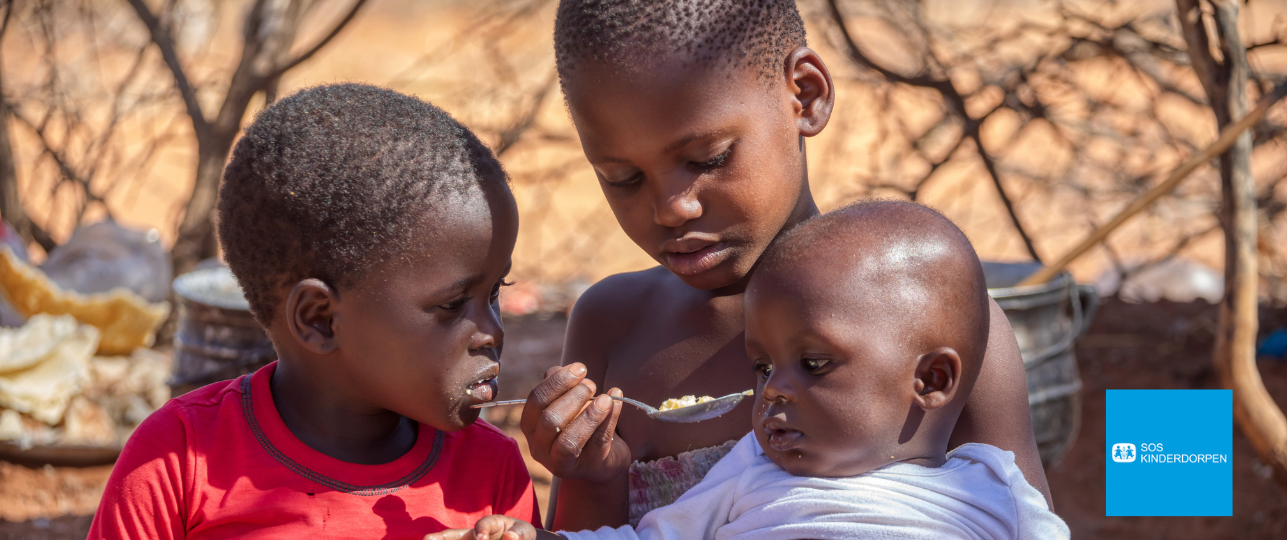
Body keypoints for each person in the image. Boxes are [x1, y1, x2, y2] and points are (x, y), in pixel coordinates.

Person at [519, 0, 1052, 531]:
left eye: (708, 159)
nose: (671, 208)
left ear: (805, 95)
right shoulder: (613, 325)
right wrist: (594, 477)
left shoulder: (928, 315)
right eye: (622, 178)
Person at [432, 202, 1069, 540]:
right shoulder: (750, 472)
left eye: (813, 364)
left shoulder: (991, 485)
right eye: (762, 367)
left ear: (929, 381)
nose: (773, 391)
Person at [89, 84, 540, 538]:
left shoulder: (490, 476)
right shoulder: (178, 459)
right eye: (452, 304)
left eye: (496, 292)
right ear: (319, 318)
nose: (492, 332)